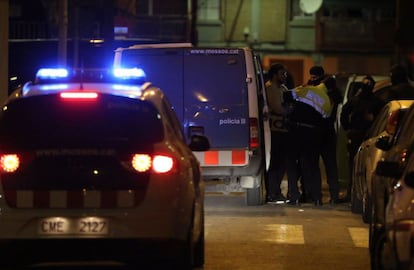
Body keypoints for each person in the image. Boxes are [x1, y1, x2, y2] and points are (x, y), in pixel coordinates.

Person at [284, 75, 334, 206]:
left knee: (291, 163)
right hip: (313, 135)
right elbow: (326, 121)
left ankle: (294, 195)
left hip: (296, 131)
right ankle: (317, 198)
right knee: (312, 166)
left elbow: (286, 96)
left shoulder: (306, 90)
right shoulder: (327, 101)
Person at [340, 75, 386, 201]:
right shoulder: (375, 101)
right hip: (366, 136)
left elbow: (344, 115)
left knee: (355, 165)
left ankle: (353, 193)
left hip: (362, 136)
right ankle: (355, 193)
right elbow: (344, 115)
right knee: (362, 165)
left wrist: (348, 129)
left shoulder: (359, 100)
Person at [307, 66, 343, 205]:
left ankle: (319, 196)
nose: (312, 79)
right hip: (324, 131)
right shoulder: (331, 91)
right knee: (326, 165)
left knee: (323, 165)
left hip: (319, 130)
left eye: (314, 77)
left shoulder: (320, 91)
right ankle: (328, 195)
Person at [265, 63, 292, 203]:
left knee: (282, 163)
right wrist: (289, 110)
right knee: (275, 163)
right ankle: (272, 192)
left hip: (283, 129)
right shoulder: (270, 88)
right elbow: (278, 109)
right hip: (274, 130)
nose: (284, 76)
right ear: (275, 74)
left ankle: (275, 191)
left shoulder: (282, 88)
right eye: (282, 73)